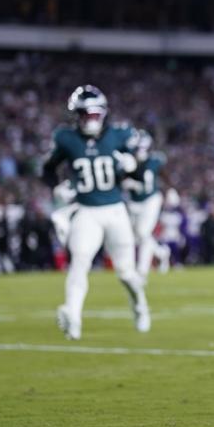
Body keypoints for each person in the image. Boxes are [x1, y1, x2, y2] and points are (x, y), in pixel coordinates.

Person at [41, 85, 149, 339]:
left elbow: (142, 173)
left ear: (103, 114)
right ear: (76, 115)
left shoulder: (120, 135)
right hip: (86, 211)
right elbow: (47, 169)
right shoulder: (66, 139)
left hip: (114, 211)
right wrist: (57, 187)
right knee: (79, 263)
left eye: (94, 115)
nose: (90, 120)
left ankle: (140, 304)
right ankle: (73, 317)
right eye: (85, 115)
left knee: (126, 273)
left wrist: (134, 166)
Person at [123, 129, 169, 280]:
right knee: (137, 236)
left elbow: (162, 176)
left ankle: (142, 270)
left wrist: (170, 190)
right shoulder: (127, 159)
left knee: (143, 233)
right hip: (134, 201)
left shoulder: (154, 160)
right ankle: (161, 253)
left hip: (150, 199)